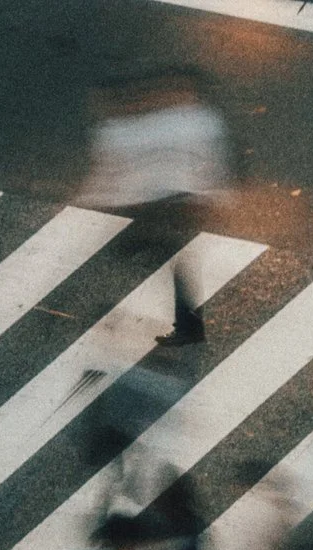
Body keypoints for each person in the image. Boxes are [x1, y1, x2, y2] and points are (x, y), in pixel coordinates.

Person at [78, 70, 232, 349]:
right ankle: (189, 326)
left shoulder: (122, 128)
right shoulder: (199, 120)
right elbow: (210, 162)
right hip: (179, 205)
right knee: (174, 264)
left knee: (128, 253)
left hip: (162, 206)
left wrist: (96, 197)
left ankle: (100, 307)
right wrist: (214, 196)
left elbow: (114, 170)